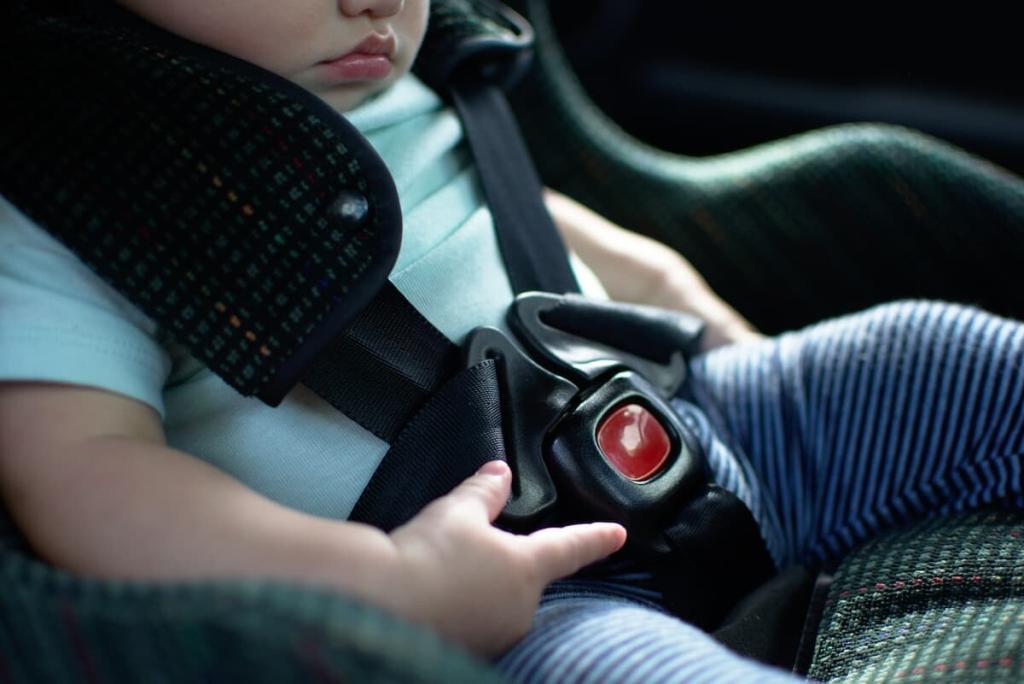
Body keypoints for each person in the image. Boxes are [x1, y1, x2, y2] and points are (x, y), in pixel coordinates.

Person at [1, 1, 1023, 682]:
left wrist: (698, 317)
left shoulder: (392, 72)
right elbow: (85, 477)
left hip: (688, 421)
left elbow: (530, 215)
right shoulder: (72, 200)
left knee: (949, 358)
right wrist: (385, 587)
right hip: (503, 599)